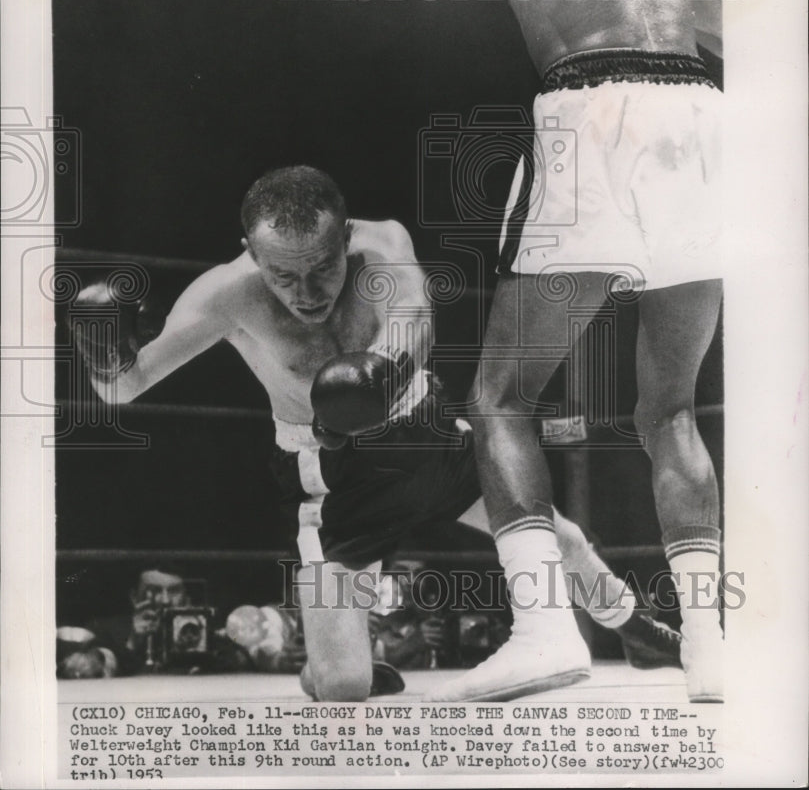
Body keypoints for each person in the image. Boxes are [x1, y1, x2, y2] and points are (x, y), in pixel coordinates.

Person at [223, 0, 726, 703]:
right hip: (701, 120)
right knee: (671, 410)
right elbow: (732, 26)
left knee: (499, 399)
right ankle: (712, 650)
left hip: (595, 109)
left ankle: (542, 633)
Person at [74, 165, 681, 701]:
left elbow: (416, 318)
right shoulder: (223, 296)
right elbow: (126, 387)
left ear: (346, 237)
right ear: (251, 255)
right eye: (283, 276)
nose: (306, 293)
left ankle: (636, 629)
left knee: (562, 541)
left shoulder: (383, 242)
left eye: (322, 268)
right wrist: (102, 351)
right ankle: (334, 656)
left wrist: (379, 375)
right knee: (340, 689)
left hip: (424, 436)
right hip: (334, 477)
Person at [60, 566, 251, 676]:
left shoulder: (205, 630)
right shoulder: (106, 629)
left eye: (174, 591)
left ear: (186, 597)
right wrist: (133, 643)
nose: (165, 600)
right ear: (135, 597)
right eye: (154, 591)